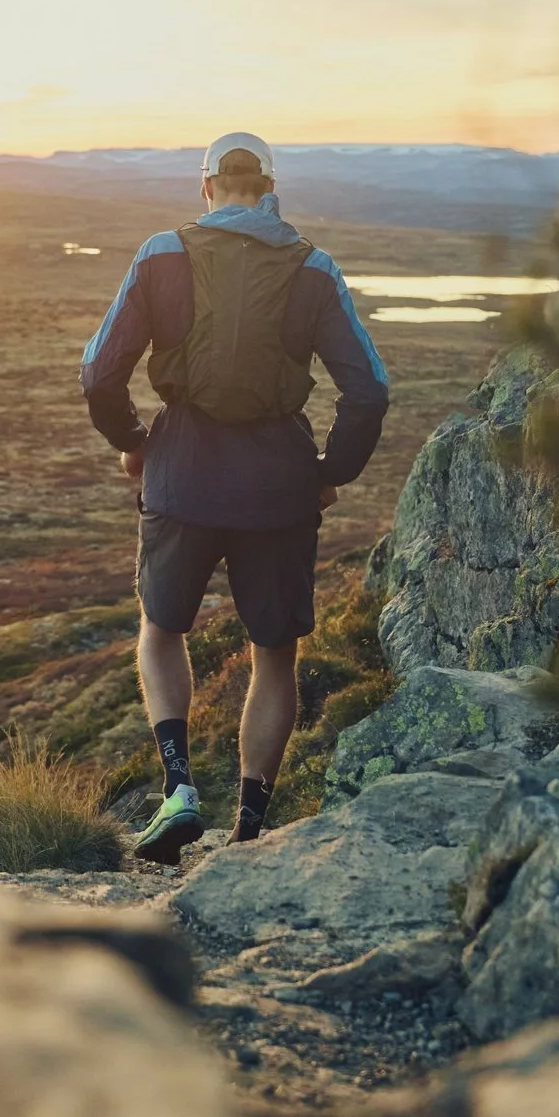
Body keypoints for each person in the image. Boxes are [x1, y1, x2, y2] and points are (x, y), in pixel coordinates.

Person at [80, 132, 391, 864]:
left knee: (161, 631)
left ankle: (179, 788)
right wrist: (329, 470)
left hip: (181, 470)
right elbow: (369, 389)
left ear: (206, 186)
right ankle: (249, 830)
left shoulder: (161, 253)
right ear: (270, 187)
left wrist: (133, 440)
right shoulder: (313, 266)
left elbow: (99, 373)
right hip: (279, 485)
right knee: (273, 656)